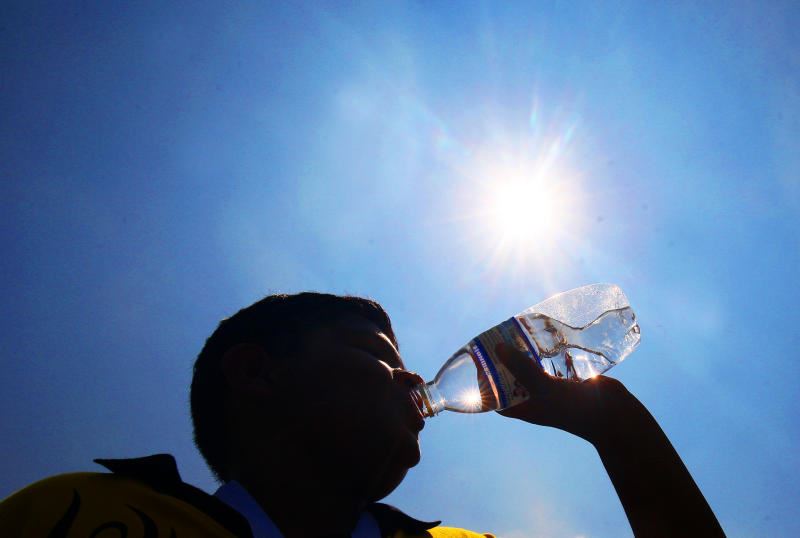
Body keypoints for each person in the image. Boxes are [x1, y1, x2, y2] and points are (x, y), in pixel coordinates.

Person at [0, 292, 725, 537]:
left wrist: (617, 428)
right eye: (377, 354)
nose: (410, 375)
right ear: (256, 373)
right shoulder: (85, 517)